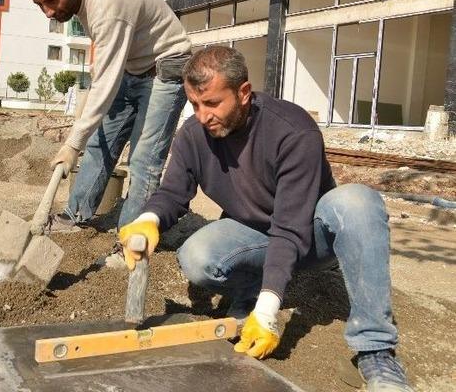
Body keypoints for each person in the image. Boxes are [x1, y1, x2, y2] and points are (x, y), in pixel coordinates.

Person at [118, 46, 412, 392]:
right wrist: (149, 219)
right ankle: (249, 290)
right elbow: (172, 193)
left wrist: (268, 311)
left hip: (311, 235)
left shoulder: (292, 131)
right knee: (196, 256)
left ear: (243, 92)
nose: (202, 116)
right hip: (256, 234)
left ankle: (376, 350)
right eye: (194, 105)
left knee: (358, 202)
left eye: (212, 103)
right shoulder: (194, 135)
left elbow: (289, 228)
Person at [23, 0, 190, 233]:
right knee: (100, 142)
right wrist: (84, 122)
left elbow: (107, 80)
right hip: (133, 67)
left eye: (51, 0)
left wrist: (72, 143)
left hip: (166, 66)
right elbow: (104, 62)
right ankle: (75, 216)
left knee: (144, 159)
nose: (48, 12)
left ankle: (132, 239)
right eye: (40, 5)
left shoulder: (106, 7)